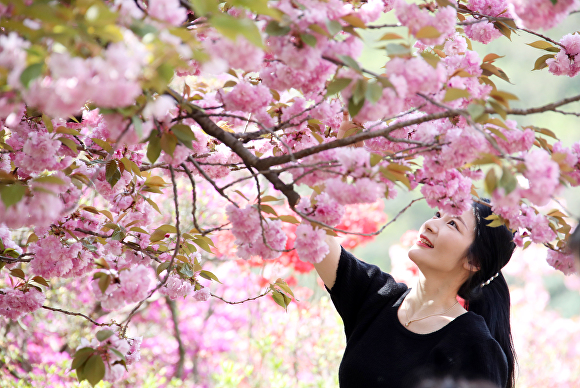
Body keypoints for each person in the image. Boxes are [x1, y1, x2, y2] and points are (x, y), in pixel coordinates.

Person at [311, 200, 517, 388]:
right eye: (437, 215)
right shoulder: (377, 296)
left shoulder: (474, 346)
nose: (429, 224)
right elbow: (315, 231)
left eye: (452, 224)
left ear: (474, 261)